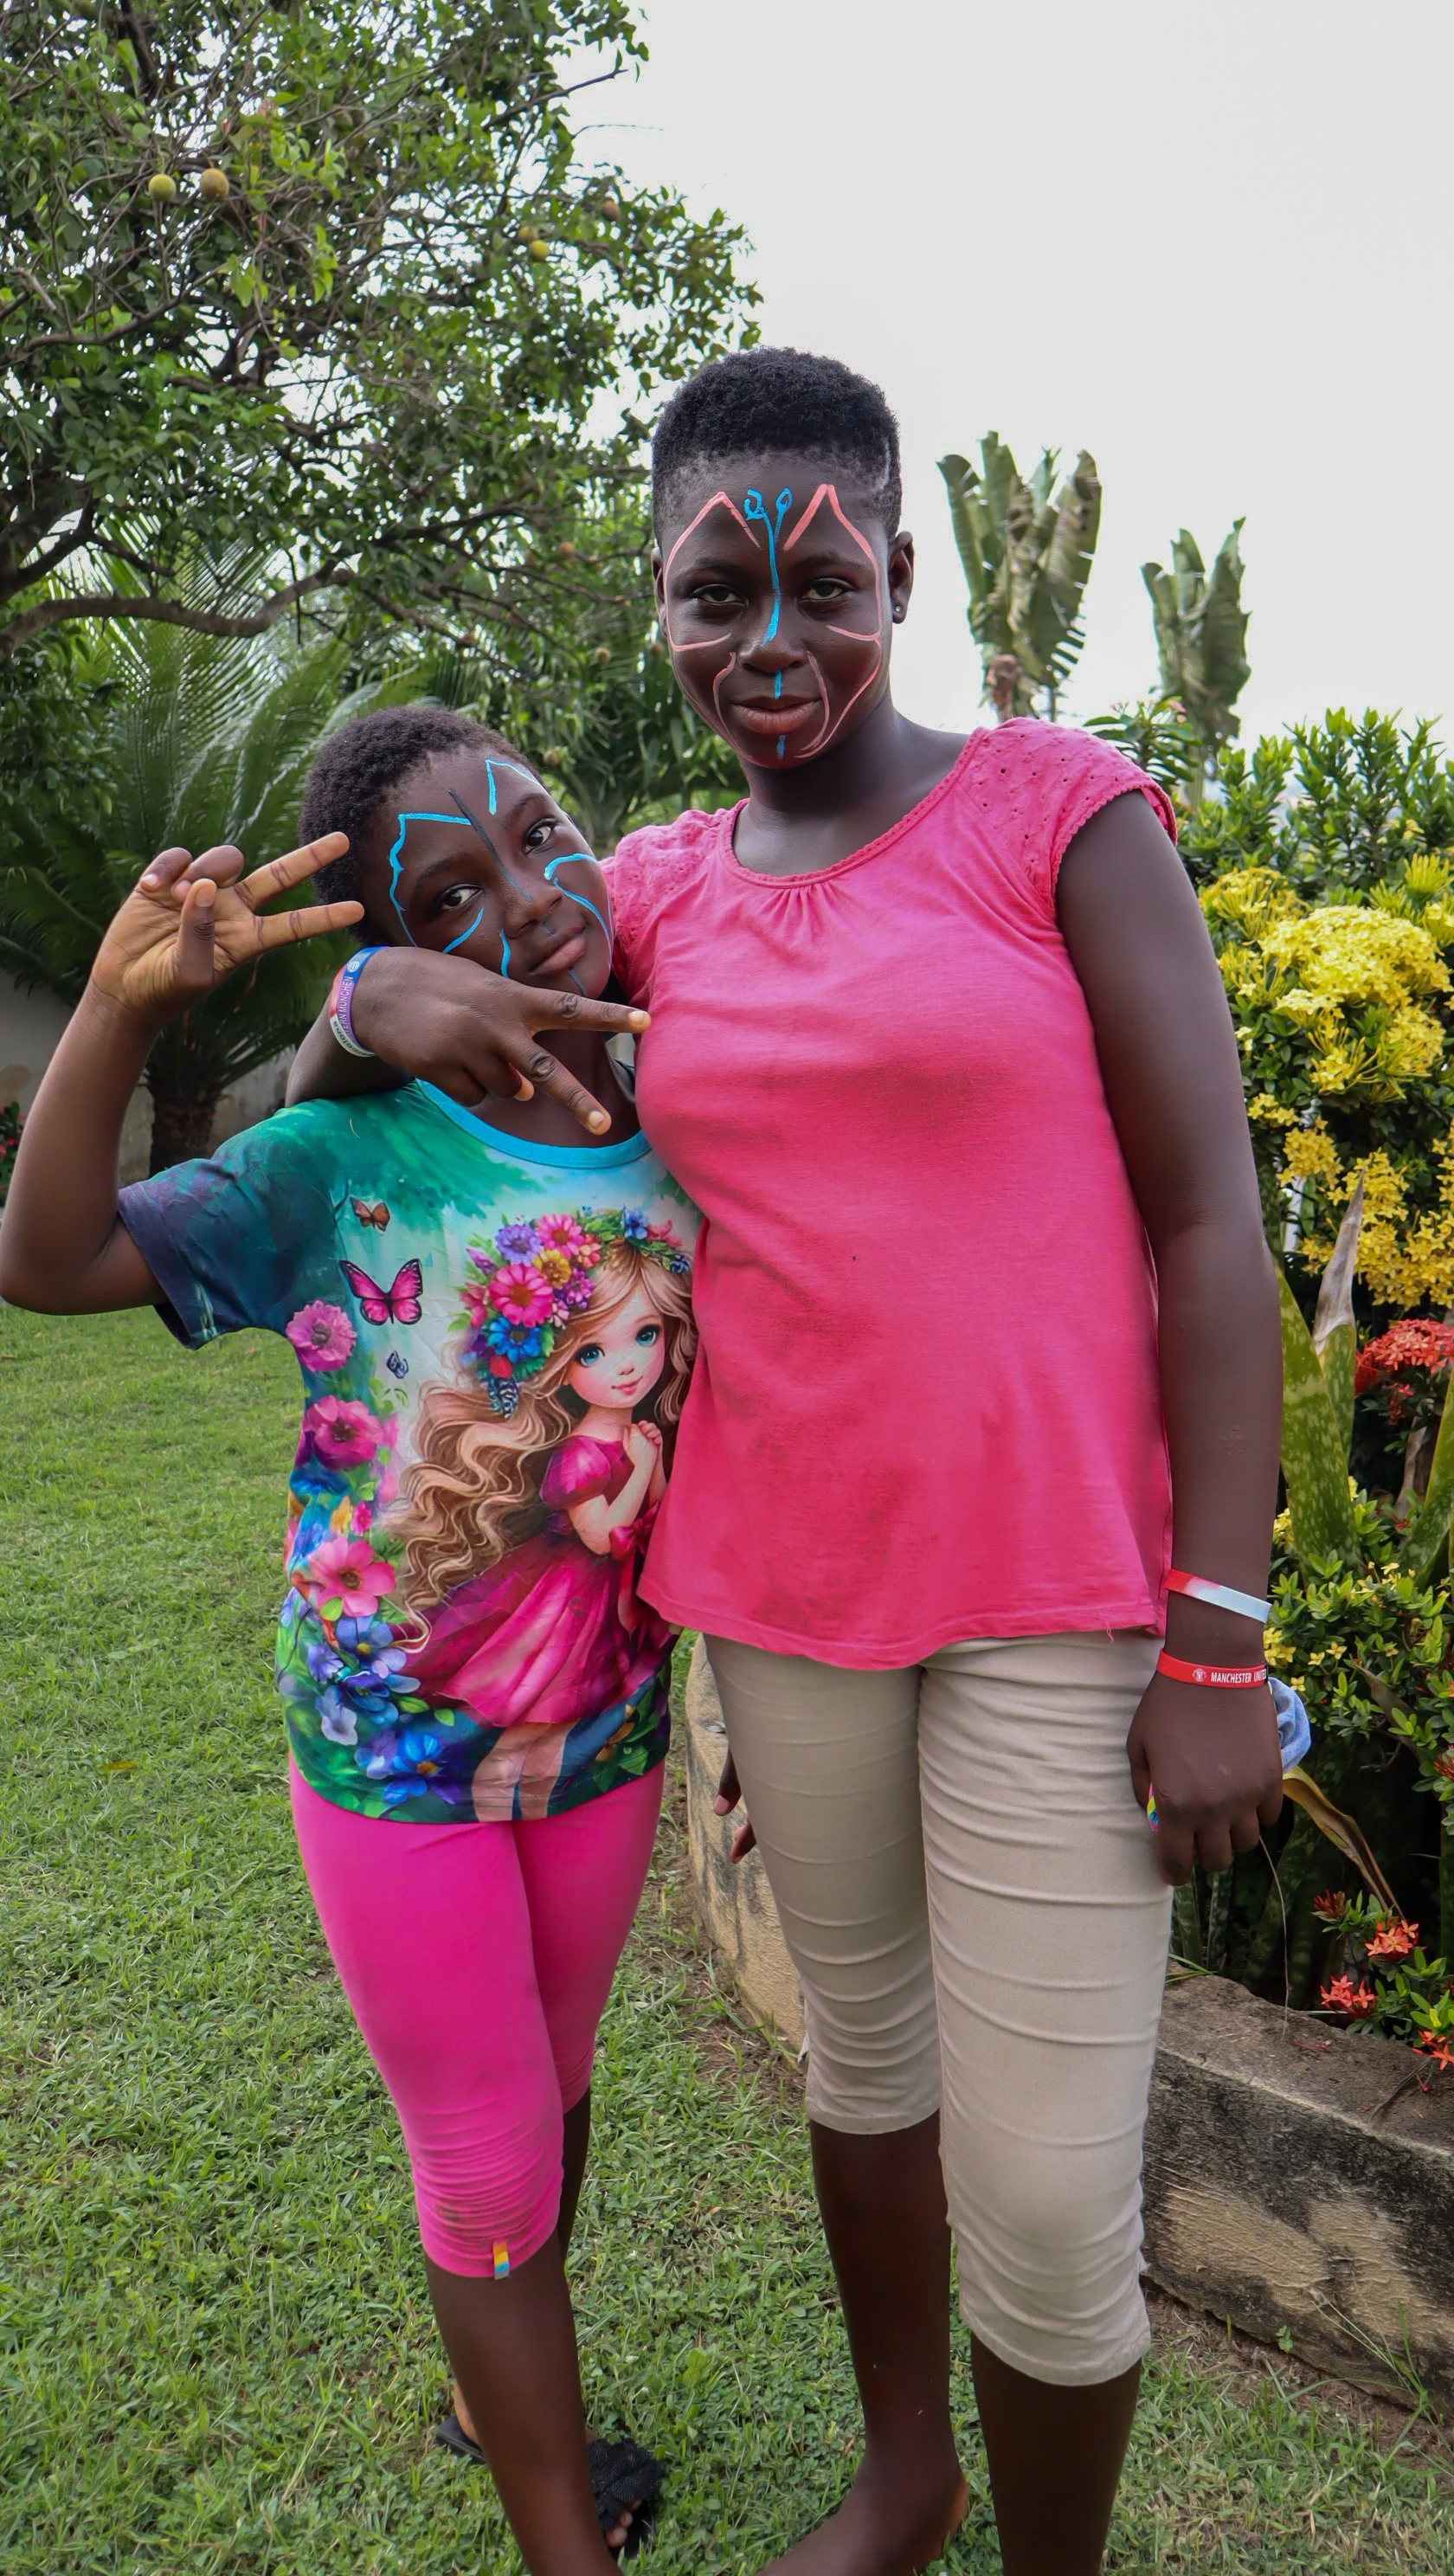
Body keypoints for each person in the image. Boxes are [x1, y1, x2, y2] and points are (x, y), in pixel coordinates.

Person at [284, 349, 1285, 2576]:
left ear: (898, 573)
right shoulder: (650, 888)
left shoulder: (1061, 815)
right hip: (782, 1605)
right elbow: (428, 1004)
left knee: (1045, 2192)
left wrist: (1219, 1635)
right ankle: (904, 2477)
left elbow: (1213, 1223)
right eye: (708, 599)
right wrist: (356, 1006)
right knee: (870, 2066)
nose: (768, 646)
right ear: (653, 608)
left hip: (1058, 1595)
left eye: (817, 587)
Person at [0, 709, 698, 2573]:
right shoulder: (337, 1154)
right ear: (395, 955)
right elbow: (50, 1255)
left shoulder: (686, 1110)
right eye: (448, 899)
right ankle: (561, 2546)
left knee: (554, 2098)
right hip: (392, 1761)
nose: (532, 905)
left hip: (606, 1731)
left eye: (544, 840)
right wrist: (122, 1012)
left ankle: (499, 2393)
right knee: (479, 2153)